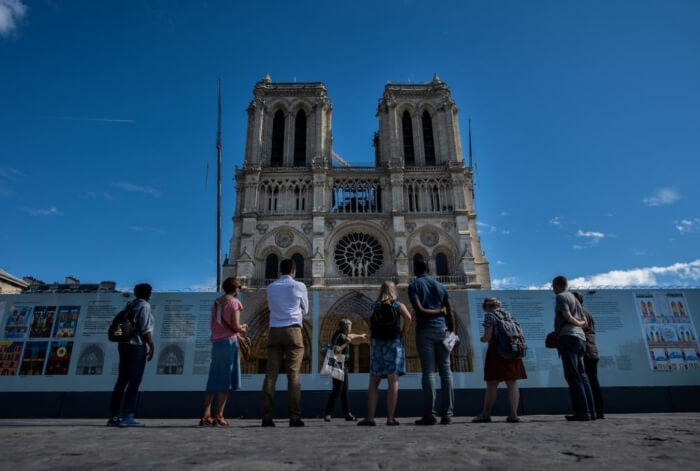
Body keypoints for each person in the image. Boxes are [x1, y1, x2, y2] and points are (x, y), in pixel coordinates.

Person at [262, 258, 309, 427]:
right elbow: (306, 309)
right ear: (294, 271)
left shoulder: (270, 288)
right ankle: (294, 416)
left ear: (280, 271)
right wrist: (298, 310)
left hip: (274, 330)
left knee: (270, 375)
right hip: (293, 331)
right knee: (293, 376)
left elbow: (270, 308)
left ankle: (267, 417)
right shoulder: (299, 286)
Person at [358, 281, 412, 426]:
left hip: (377, 344)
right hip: (393, 343)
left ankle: (370, 418)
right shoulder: (397, 305)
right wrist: (403, 333)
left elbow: (369, 323)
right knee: (392, 380)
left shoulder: (374, 306)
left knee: (374, 381)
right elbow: (408, 318)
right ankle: (390, 418)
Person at [408, 259, 454, 425]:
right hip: (443, 331)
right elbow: (450, 313)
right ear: (429, 269)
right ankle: (447, 413)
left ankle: (429, 414)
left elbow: (419, 310)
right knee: (446, 372)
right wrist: (453, 334)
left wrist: (436, 312)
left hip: (425, 331)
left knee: (428, 372)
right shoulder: (441, 286)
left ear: (415, 269)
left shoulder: (414, 286)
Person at [200, 277, 248, 426]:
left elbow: (214, 324)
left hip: (216, 342)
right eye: (239, 287)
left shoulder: (216, 303)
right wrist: (243, 328)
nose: (239, 290)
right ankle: (219, 415)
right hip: (229, 342)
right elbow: (235, 325)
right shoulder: (235, 302)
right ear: (235, 289)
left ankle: (206, 415)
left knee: (214, 377)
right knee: (226, 379)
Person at [472, 297, 527, 423]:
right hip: (512, 350)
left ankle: (485, 414)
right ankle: (514, 414)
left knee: (492, 384)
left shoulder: (490, 316)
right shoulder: (509, 315)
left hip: (497, 351)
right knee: (512, 383)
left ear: (486, 306)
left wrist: (482, 339)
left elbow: (488, 336)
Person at [107, 283, 155, 427]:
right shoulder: (144, 306)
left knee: (122, 380)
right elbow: (145, 329)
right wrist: (151, 345)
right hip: (136, 346)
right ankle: (127, 415)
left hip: (124, 345)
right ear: (149, 294)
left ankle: (114, 415)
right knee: (134, 381)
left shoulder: (131, 305)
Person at [552, 276, 595, 421]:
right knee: (582, 375)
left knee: (573, 376)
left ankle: (581, 412)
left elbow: (566, 315)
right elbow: (585, 321)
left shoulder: (561, 297)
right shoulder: (575, 299)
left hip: (568, 337)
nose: (553, 289)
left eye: (553, 286)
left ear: (557, 285)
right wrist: (578, 324)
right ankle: (591, 412)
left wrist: (572, 322)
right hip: (581, 338)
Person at [323, 319, 366, 422]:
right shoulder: (340, 336)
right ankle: (328, 413)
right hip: (337, 362)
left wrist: (360, 336)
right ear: (346, 327)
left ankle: (347, 414)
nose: (351, 328)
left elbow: (350, 336)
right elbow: (337, 350)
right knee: (337, 389)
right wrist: (346, 344)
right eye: (350, 326)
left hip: (342, 363)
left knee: (344, 390)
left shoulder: (342, 334)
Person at [572, 291, 605, 420]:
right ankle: (598, 410)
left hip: (584, 349)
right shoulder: (587, 313)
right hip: (593, 349)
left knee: (583, 380)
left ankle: (586, 410)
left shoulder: (578, 313)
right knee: (593, 380)